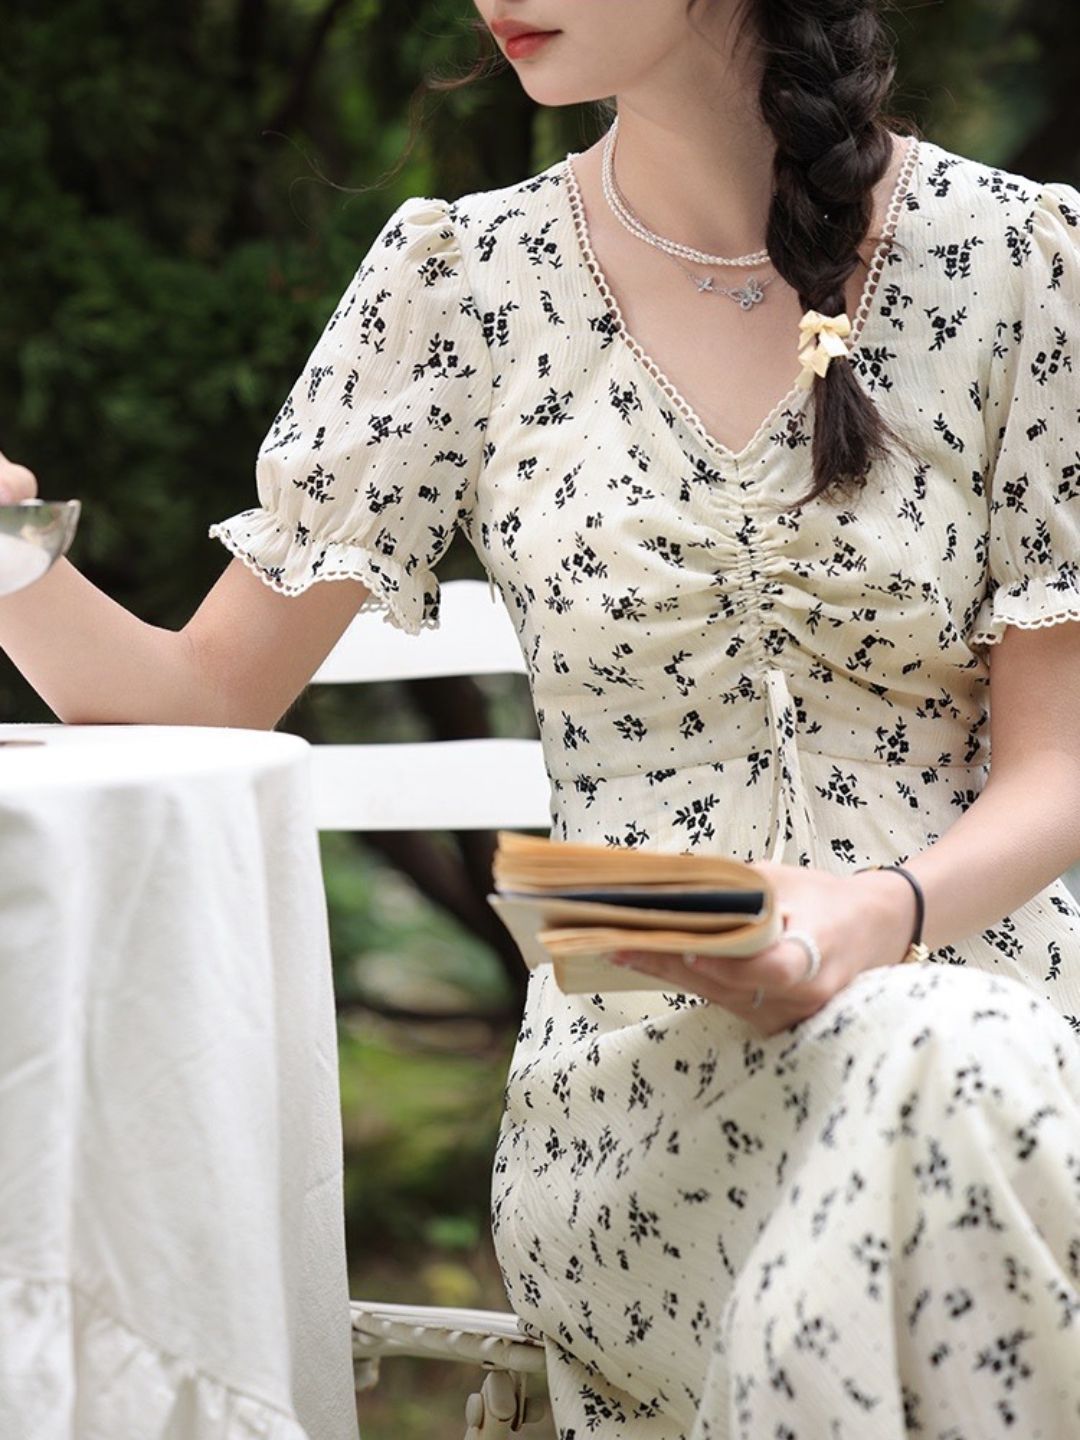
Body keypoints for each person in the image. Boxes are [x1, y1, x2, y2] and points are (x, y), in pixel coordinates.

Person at [3, 0, 1080, 1433]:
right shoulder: (460, 282)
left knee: (952, 1071)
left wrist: (878, 915)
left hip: (1012, 1024)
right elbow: (198, 695)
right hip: (650, 1096)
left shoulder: (1017, 257)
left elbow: (1059, 760)